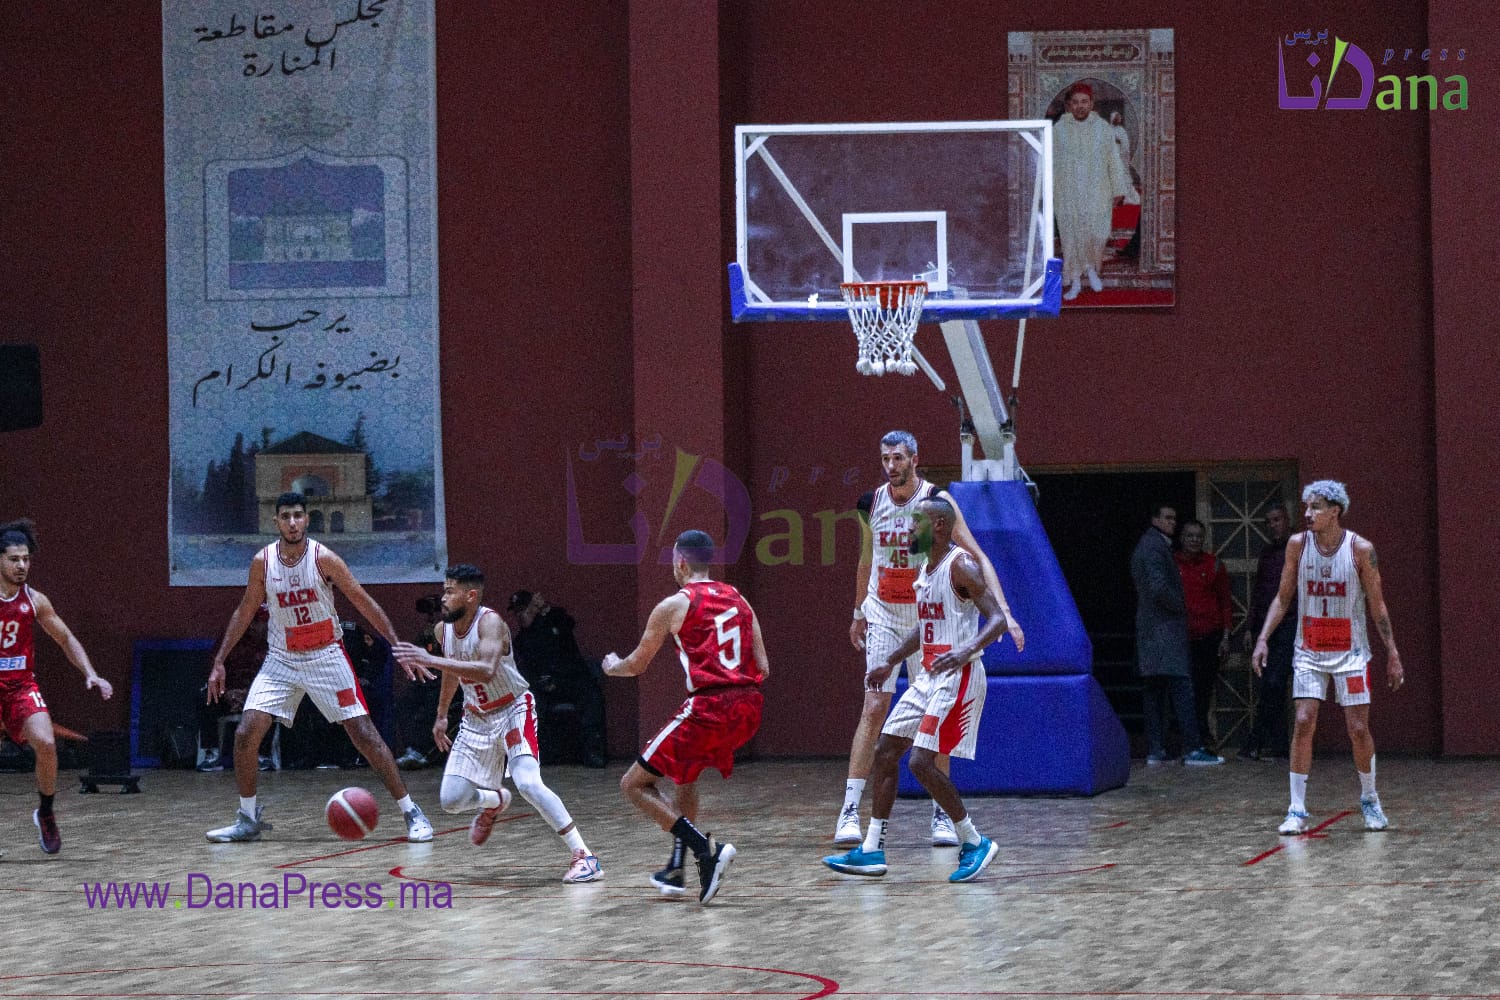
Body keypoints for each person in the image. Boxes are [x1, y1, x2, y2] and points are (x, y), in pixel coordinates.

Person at [203, 492, 436, 843]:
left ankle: (411, 811)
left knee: (364, 735)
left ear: (307, 519)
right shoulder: (262, 562)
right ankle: (247, 819)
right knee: (246, 733)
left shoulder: (323, 558)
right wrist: (219, 660)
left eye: (298, 516)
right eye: (285, 517)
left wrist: (396, 644)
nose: (292, 522)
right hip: (282, 659)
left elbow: (363, 601)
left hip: (326, 655)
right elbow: (245, 610)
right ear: (276, 521)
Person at [837, 430, 1024, 848]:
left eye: (898, 458)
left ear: (915, 459)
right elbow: (866, 559)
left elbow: (977, 556)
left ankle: (945, 817)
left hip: (931, 618)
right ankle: (851, 814)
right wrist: (858, 612)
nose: (891, 465)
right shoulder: (871, 503)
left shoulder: (938, 505)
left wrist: (1006, 613)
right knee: (875, 709)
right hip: (886, 612)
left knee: (931, 727)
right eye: (885, 458)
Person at [823, 496, 1007, 884]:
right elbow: (923, 627)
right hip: (928, 676)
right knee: (886, 751)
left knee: (920, 762)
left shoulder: (961, 565)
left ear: (938, 526)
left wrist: (966, 649)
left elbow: (998, 621)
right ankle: (872, 849)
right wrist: (890, 660)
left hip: (959, 676)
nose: (908, 529)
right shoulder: (924, 568)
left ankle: (974, 841)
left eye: (915, 523)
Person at [393, 564, 603, 884]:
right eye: (444, 590)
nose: (443, 598)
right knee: (451, 801)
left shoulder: (490, 623)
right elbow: (452, 671)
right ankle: (496, 800)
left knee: (528, 783)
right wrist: (441, 714)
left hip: (512, 709)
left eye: (450, 592)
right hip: (475, 717)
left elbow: (486, 669)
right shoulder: (442, 630)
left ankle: (585, 856)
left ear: (470, 595)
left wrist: (430, 659)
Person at [602, 530, 768, 905]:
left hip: (710, 705)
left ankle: (706, 850)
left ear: (680, 562)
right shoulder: (738, 597)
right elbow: (764, 665)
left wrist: (613, 666)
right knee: (686, 772)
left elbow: (637, 664)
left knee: (633, 784)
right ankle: (676, 867)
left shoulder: (674, 605)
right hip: (749, 708)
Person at [1253, 481, 1403, 834]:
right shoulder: (1297, 545)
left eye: (1315, 507)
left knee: (1358, 728)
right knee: (1304, 720)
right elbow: (1283, 598)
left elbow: (1377, 604)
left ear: (1335, 511)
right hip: (1309, 650)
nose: (1307, 513)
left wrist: (1392, 652)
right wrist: (1262, 638)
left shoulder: (1360, 549)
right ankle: (1296, 808)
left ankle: (1370, 799)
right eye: (1306, 506)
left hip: (1351, 652)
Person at [0, 519, 113, 855]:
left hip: (20, 687)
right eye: (14, 559)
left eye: (26, 559)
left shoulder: (35, 600)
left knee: (47, 743)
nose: (22, 565)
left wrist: (90, 673)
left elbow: (65, 638)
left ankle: (46, 812)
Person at [1131, 504, 1223, 766]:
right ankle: (1192, 748)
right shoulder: (1154, 546)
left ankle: (1156, 749)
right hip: (1164, 631)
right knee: (1181, 689)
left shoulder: (1148, 545)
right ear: (1155, 519)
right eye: (1168, 518)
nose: (1173, 522)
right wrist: (1181, 607)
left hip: (1153, 632)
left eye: (1174, 518)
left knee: (1155, 692)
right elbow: (1158, 587)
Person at [1052, 83, 1134, 300]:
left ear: (1091, 104)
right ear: (1069, 105)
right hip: (1067, 192)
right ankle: (1076, 280)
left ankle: (1090, 269)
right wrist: (1048, 190)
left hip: (1097, 191)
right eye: (1075, 102)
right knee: (1071, 236)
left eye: (1084, 102)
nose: (1080, 106)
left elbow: (1113, 160)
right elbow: (1051, 162)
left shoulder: (1103, 129)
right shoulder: (1058, 130)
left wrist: (1118, 189)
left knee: (1098, 233)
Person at [508, 590, 607, 768]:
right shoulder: (521, 641)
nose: (520, 616)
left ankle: (594, 753)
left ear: (533, 608)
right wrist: (540, 683)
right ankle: (536, 754)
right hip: (542, 687)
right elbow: (524, 672)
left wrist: (546, 610)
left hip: (571, 680)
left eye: (524, 610)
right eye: (517, 612)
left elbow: (568, 623)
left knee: (591, 695)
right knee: (529, 702)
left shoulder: (554, 621)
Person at [1240, 503, 1296, 760]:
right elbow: (1259, 592)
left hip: (1290, 625)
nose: (1273, 525)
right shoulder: (1266, 554)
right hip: (1267, 627)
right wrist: (1251, 627)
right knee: (1271, 687)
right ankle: (1279, 746)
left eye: (1277, 520)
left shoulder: (1298, 549)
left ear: (1287, 520)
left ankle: (1256, 741)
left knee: (1274, 683)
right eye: (1269, 521)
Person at [1175, 518, 1232, 752]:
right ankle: (1185, 738)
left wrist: (1226, 637)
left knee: (1204, 690)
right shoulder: (1172, 564)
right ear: (1182, 538)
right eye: (1190, 535)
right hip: (1181, 638)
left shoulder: (1214, 565)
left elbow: (1225, 603)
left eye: (1198, 536)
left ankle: (1202, 736)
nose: (1194, 540)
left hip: (1209, 637)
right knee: (1182, 689)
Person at [196, 606, 269, 772]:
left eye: (261, 623)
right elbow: (213, 666)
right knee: (206, 697)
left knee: (272, 699)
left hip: (256, 693)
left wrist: (247, 693)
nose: (257, 627)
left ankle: (262, 755)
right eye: (255, 622)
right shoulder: (230, 639)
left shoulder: (273, 641)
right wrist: (228, 691)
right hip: (228, 692)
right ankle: (212, 754)